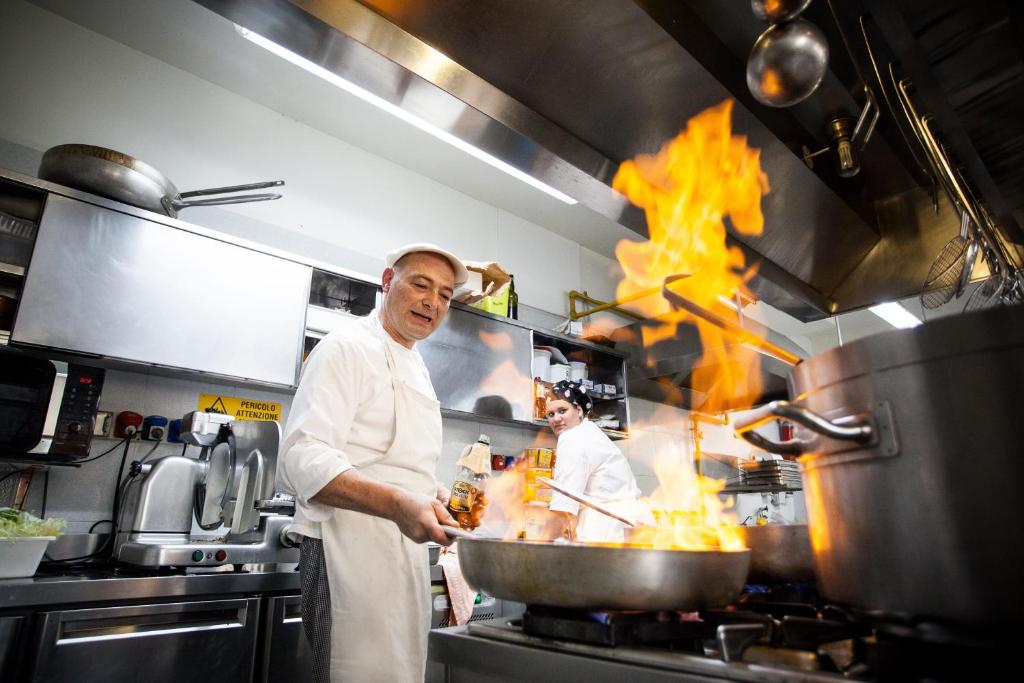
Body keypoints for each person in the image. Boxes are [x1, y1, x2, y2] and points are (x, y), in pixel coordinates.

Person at [279, 243, 469, 683]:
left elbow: (393, 460)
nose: (431, 301)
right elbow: (300, 458)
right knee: (355, 672)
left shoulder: (416, 363)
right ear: (387, 284)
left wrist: (433, 493)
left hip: (402, 553)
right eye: (420, 284)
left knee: (397, 673)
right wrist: (401, 504)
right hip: (345, 547)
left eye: (444, 295)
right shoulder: (346, 348)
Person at [545, 379, 643, 543]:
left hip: (605, 532)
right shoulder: (590, 433)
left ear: (578, 410)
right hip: (629, 529)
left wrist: (542, 546)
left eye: (562, 410)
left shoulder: (572, 437)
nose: (556, 419)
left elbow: (563, 505)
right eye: (550, 414)